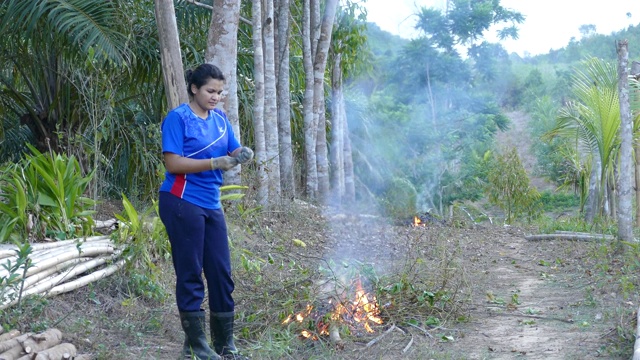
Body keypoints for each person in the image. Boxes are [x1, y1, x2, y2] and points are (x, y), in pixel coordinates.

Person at [158, 63, 253, 360]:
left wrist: (241, 154)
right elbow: (172, 163)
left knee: (221, 272)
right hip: (181, 201)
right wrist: (213, 164)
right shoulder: (178, 118)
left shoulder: (221, 120)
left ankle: (225, 345)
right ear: (194, 88)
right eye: (210, 91)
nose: (215, 97)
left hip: (211, 203)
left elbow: (232, 148)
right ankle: (199, 346)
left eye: (220, 92)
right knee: (190, 273)